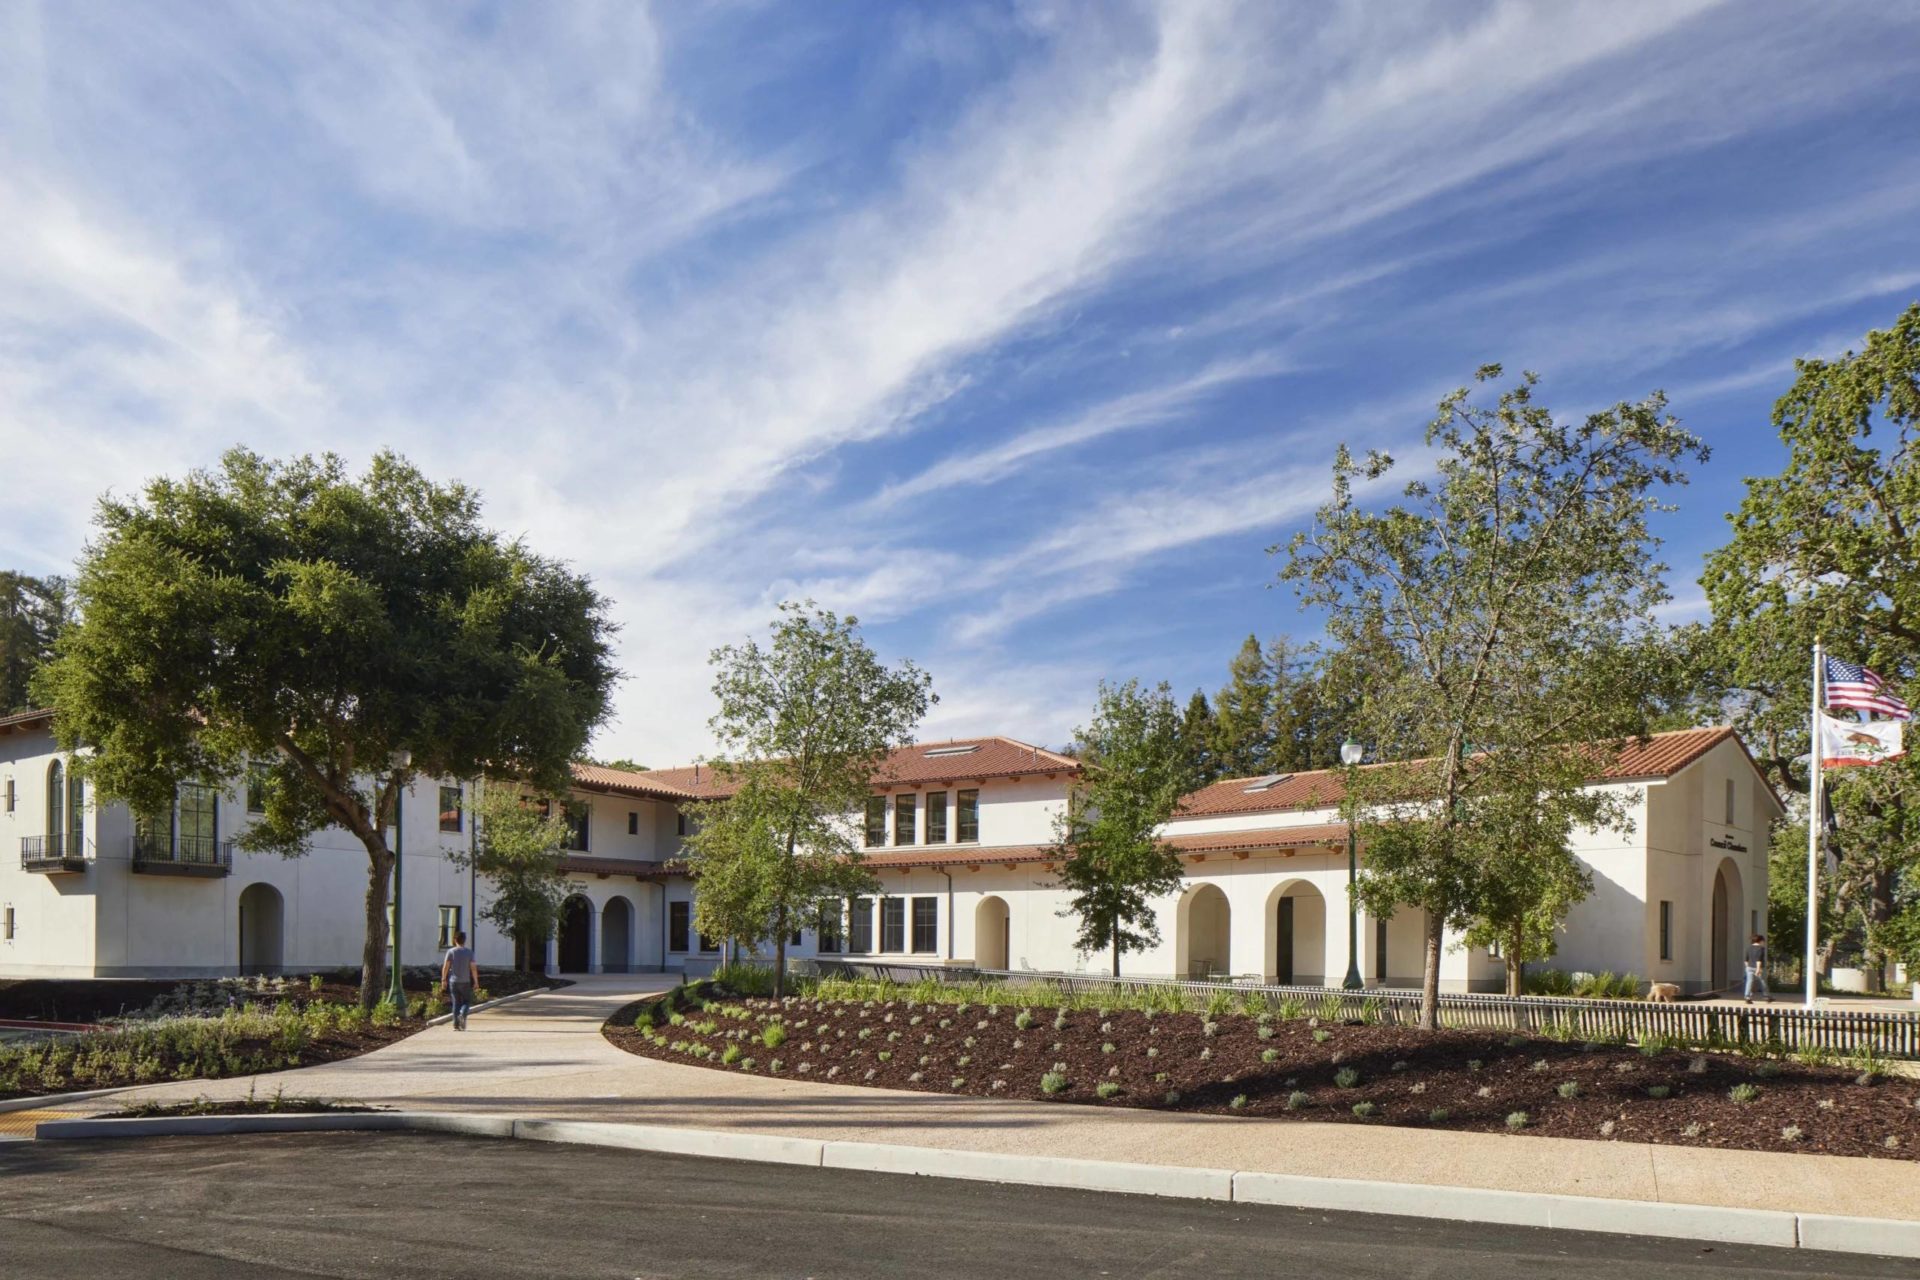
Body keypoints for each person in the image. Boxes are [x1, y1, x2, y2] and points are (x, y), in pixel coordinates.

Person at [442, 930, 479, 1030]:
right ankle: (463, 1013)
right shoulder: (469, 952)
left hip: (453, 981)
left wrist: (443, 979)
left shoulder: (451, 952)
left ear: (455, 940)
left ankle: (455, 1025)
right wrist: (476, 981)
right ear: (464, 941)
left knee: (456, 1002)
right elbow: (473, 968)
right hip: (465, 981)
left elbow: (446, 966)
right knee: (467, 1001)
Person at [1743, 933, 1769, 1005]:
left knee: (1749, 982)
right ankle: (1766, 996)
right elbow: (1759, 959)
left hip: (1749, 967)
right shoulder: (1761, 948)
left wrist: (1747, 968)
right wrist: (1758, 969)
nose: (1764, 943)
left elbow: (1746, 960)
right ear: (1760, 941)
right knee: (1763, 982)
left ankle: (1747, 997)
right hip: (1758, 968)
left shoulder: (1749, 948)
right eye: (1763, 941)